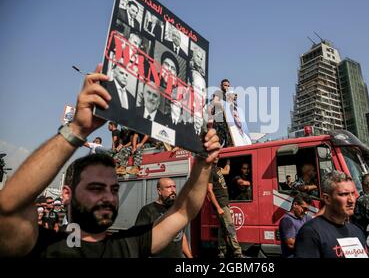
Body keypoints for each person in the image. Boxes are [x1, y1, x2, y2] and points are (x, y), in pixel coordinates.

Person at [0, 65, 221, 257]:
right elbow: (8, 209)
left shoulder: (129, 245)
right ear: (66, 194)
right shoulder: (42, 246)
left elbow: (183, 212)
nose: (108, 196)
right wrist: (77, 129)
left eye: (114, 189)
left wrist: (204, 162)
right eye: (96, 188)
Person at [294, 170, 367, 258]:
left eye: (353, 194)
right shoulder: (311, 232)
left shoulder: (357, 231)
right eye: (344, 194)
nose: (351, 200)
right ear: (327, 199)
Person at [135, 178, 193, 258]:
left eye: (174, 187)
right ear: (159, 191)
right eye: (168, 187)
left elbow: (181, 236)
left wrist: (189, 256)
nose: (173, 190)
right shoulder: (148, 211)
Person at [207, 158, 243, 258]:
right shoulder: (209, 171)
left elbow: (227, 170)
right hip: (221, 203)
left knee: (223, 228)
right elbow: (209, 191)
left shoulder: (218, 169)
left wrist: (228, 161)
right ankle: (238, 252)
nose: (216, 157)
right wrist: (218, 207)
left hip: (225, 203)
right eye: (214, 155)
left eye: (218, 155)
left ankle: (222, 250)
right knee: (230, 226)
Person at [279, 193, 312, 257]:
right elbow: (291, 244)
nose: (305, 212)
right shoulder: (287, 220)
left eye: (307, 210)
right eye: (304, 208)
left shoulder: (307, 217)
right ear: (295, 204)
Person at [210, 79, 232, 147]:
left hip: (226, 122)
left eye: (228, 86)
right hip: (219, 120)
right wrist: (224, 104)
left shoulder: (228, 96)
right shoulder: (218, 92)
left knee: (227, 141)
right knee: (218, 140)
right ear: (221, 86)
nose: (227, 87)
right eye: (225, 85)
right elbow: (215, 101)